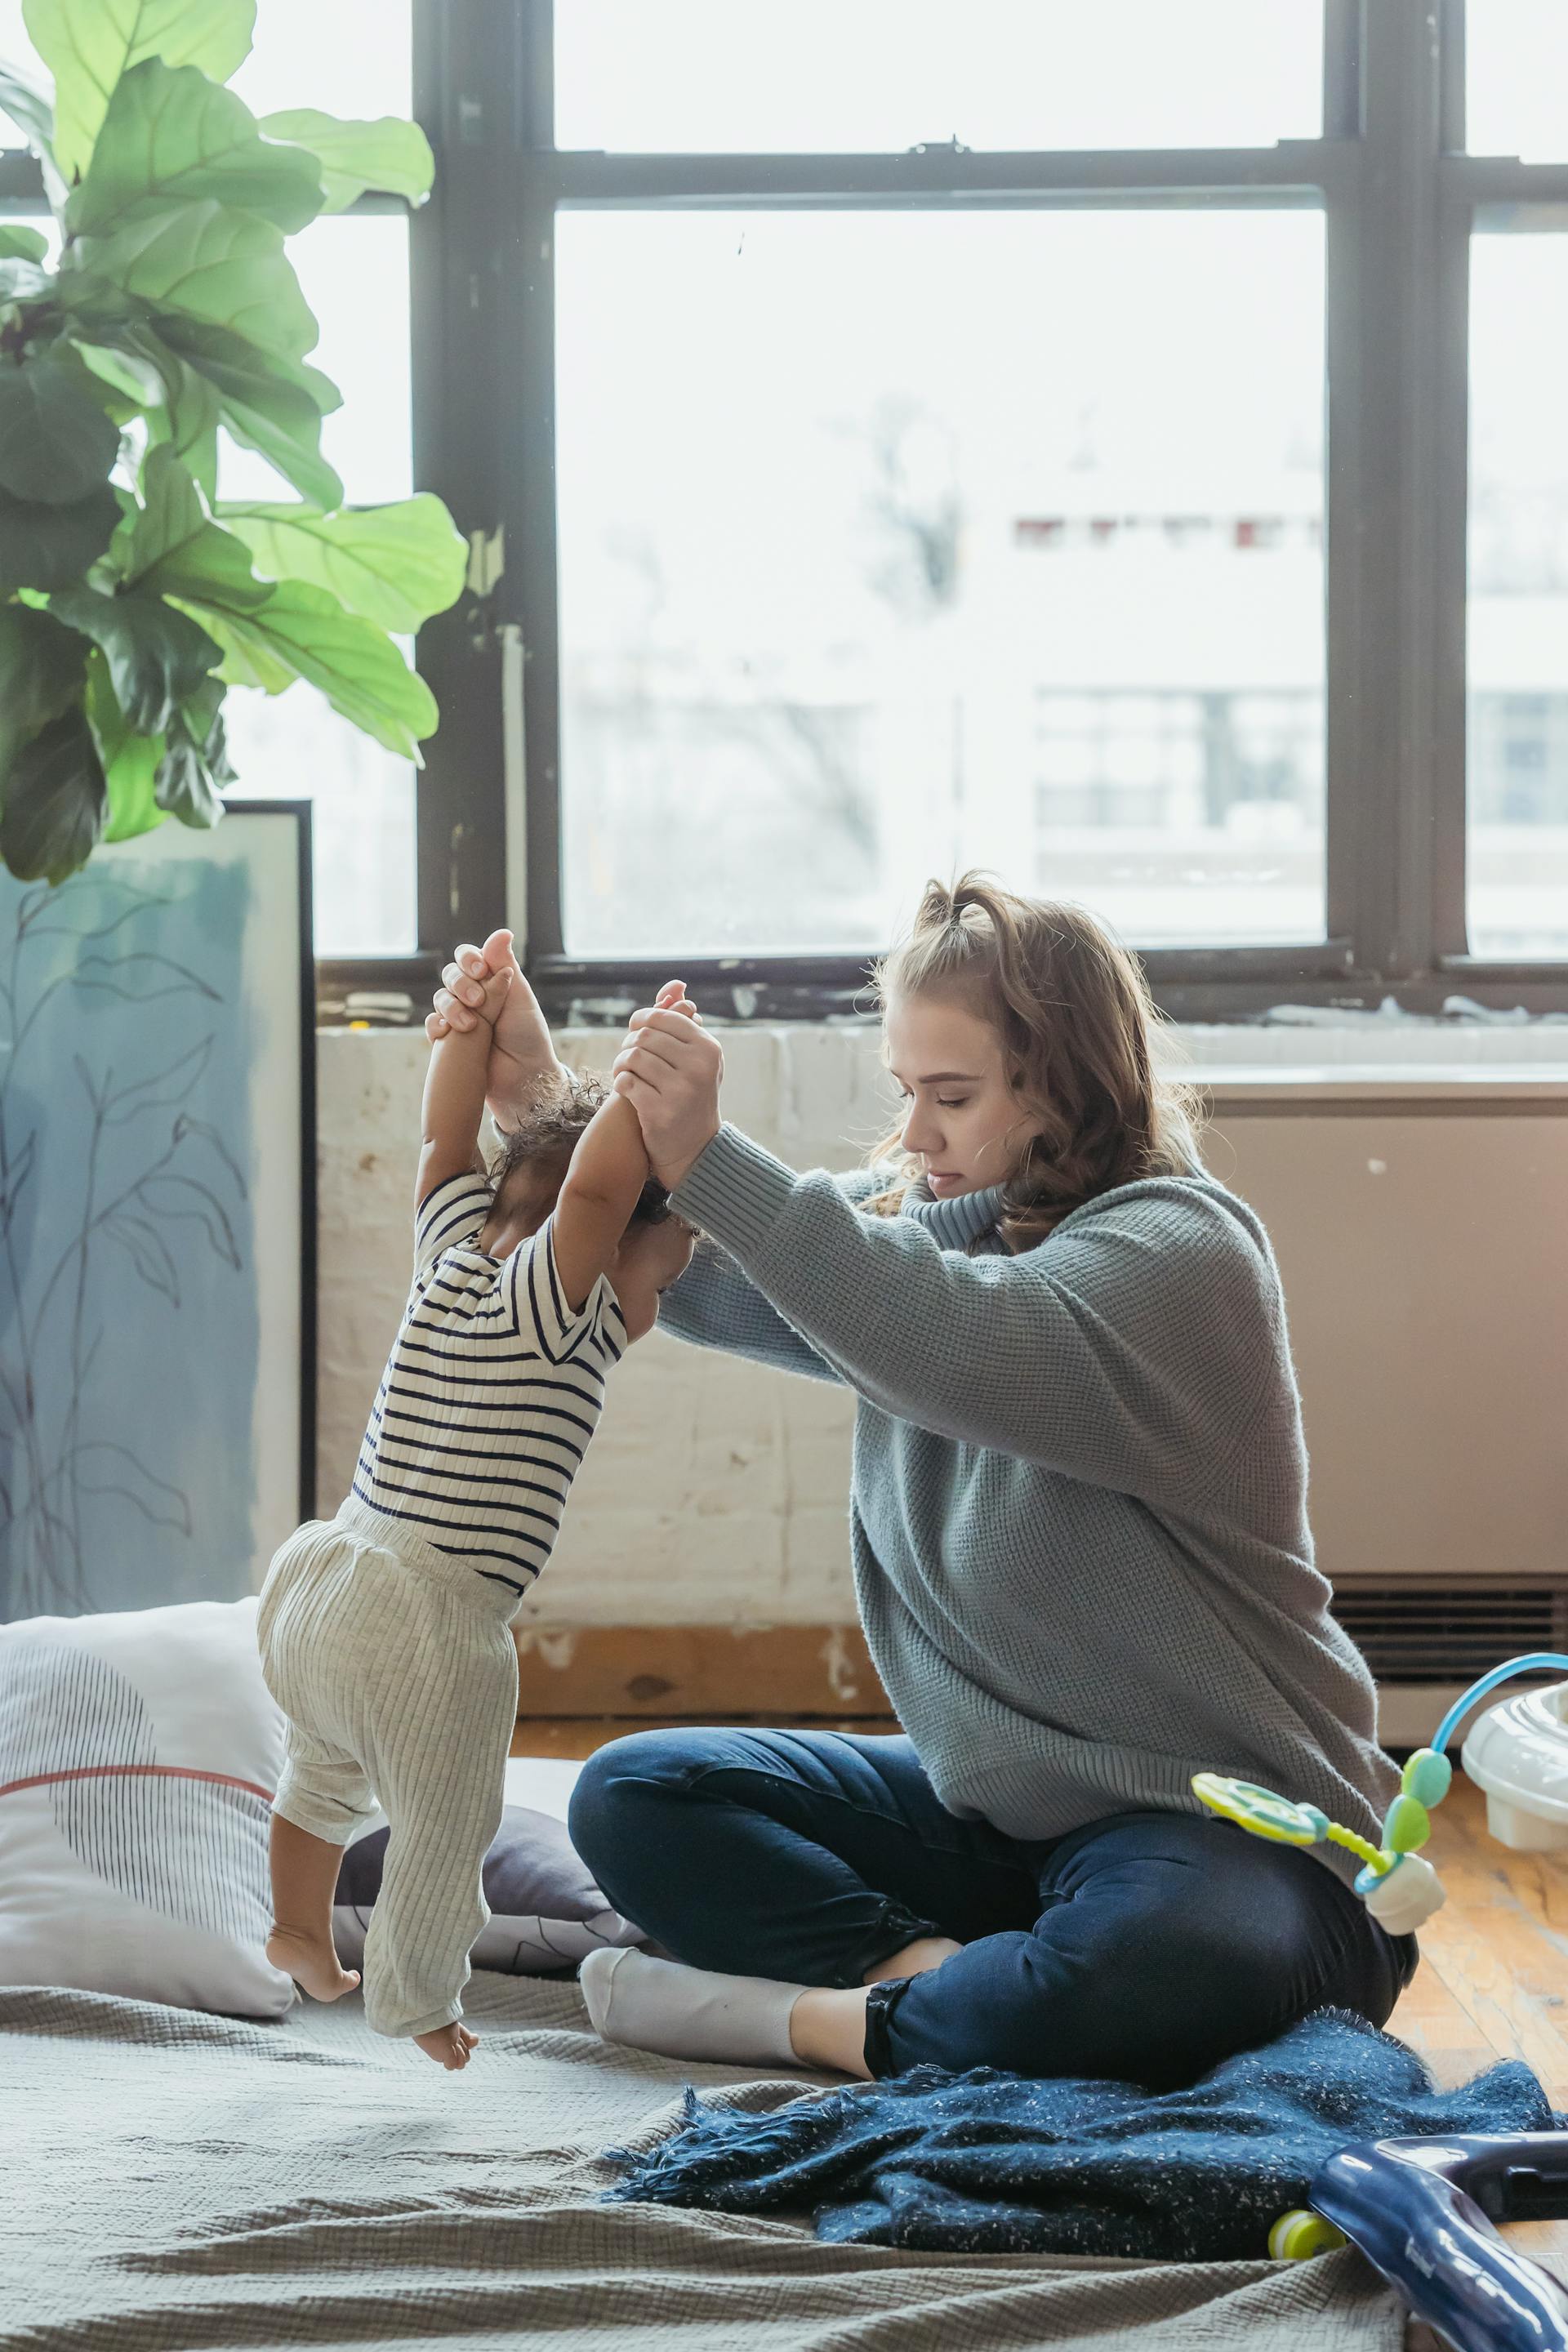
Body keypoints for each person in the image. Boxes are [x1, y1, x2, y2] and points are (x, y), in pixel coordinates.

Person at [428, 880, 1415, 2089]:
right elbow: (723, 1267)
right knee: (638, 1793)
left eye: (953, 1098)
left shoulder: (1182, 1254)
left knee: (1161, 1960)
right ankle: (943, 1986)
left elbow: (944, 1332)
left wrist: (710, 1154)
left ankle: (808, 2023)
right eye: (907, 1094)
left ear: (1070, 1087)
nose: (917, 1137)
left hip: (1235, 1834)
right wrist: (549, 1102)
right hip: (1004, 1830)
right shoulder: (927, 1225)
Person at [259, 935, 693, 2069]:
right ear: (605, 1248)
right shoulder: (561, 1306)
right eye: (668, 1265)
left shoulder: (450, 1247)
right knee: (451, 1822)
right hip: (424, 1621)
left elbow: (442, 1137)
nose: (664, 1292)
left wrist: (461, 1033)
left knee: (319, 1773)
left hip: (322, 1581)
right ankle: (416, 1998)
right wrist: (645, 1085)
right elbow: (600, 1187)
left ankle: (299, 1928)